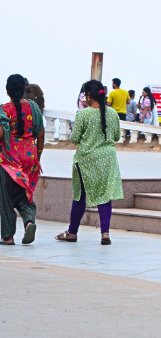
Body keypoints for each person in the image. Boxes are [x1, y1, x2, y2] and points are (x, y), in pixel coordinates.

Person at [54, 79, 123, 245]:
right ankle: (105, 233)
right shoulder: (112, 113)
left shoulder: (83, 114)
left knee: (80, 195)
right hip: (107, 159)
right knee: (105, 195)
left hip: (86, 159)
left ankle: (72, 232)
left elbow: (75, 138)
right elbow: (116, 137)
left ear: (89, 95)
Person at [0, 74, 44, 245]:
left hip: (8, 160)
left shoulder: (4, 109)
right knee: (24, 195)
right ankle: (29, 222)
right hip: (30, 159)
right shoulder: (33, 107)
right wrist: (38, 158)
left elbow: (2, 135)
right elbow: (40, 134)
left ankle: (8, 236)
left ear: (7, 90)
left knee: (5, 197)